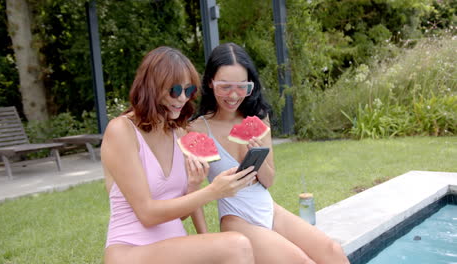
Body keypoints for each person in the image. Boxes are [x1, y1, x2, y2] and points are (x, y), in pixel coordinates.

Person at [189, 43, 350, 264]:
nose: (234, 95)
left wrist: (257, 154)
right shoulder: (196, 130)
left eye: (242, 87)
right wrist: (205, 237)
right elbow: (192, 192)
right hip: (236, 218)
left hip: (267, 207)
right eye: (225, 87)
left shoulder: (257, 119)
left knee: (333, 250)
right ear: (210, 83)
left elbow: (268, 180)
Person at [101, 46, 258, 264]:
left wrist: (193, 186)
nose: (182, 98)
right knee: (237, 245)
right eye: (175, 90)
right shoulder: (121, 130)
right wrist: (212, 191)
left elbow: (180, 214)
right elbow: (147, 214)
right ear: (152, 87)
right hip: (131, 250)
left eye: (189, 90)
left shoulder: (179, 133)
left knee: (240, 246)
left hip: (172, 247)